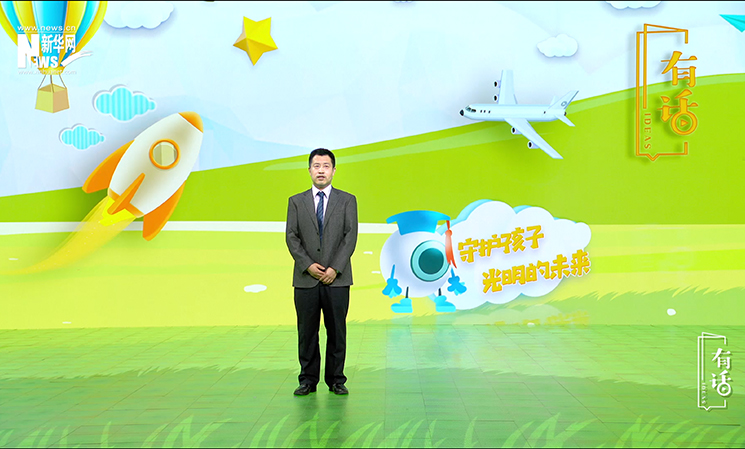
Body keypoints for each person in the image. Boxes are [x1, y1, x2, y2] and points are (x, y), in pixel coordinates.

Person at [285, 148, 358, 396]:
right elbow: (291, 237)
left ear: (334, 171)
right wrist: (308, 265)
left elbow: (350, 237)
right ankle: (307, 380)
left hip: (337, 280)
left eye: (326, 166)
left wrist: (334, 268)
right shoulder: (296, 202)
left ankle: (336, 379)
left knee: (337, 331)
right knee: (307, 332)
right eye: (316, 166)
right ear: (309, 170)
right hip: (305, 279)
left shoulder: (347, 200)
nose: (321, 171)